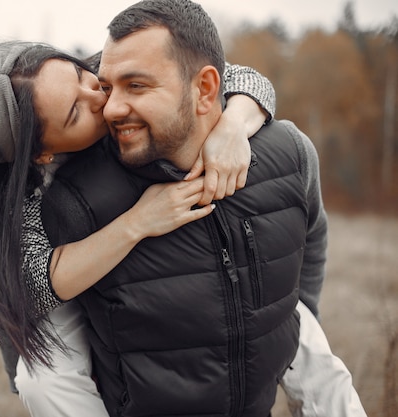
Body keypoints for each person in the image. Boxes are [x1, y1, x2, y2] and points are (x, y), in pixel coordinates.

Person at [34, 1, 367, 416]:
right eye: (108, 86)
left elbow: (310, 238)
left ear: (206, 89)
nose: (112, 108)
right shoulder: (75, 200)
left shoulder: (291, 154)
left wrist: (286, 323)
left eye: (136, 86)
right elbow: (39, 346)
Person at [0, 39, 276, 407]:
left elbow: (247, 78)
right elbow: (36, 283)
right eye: (75, 113)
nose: (99, 97)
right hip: (59, 292)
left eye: (79, 75)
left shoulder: (109, 72)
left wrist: (231, 126)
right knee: (44, 381)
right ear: (41, 153)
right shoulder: (13, 191)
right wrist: (138, 222)